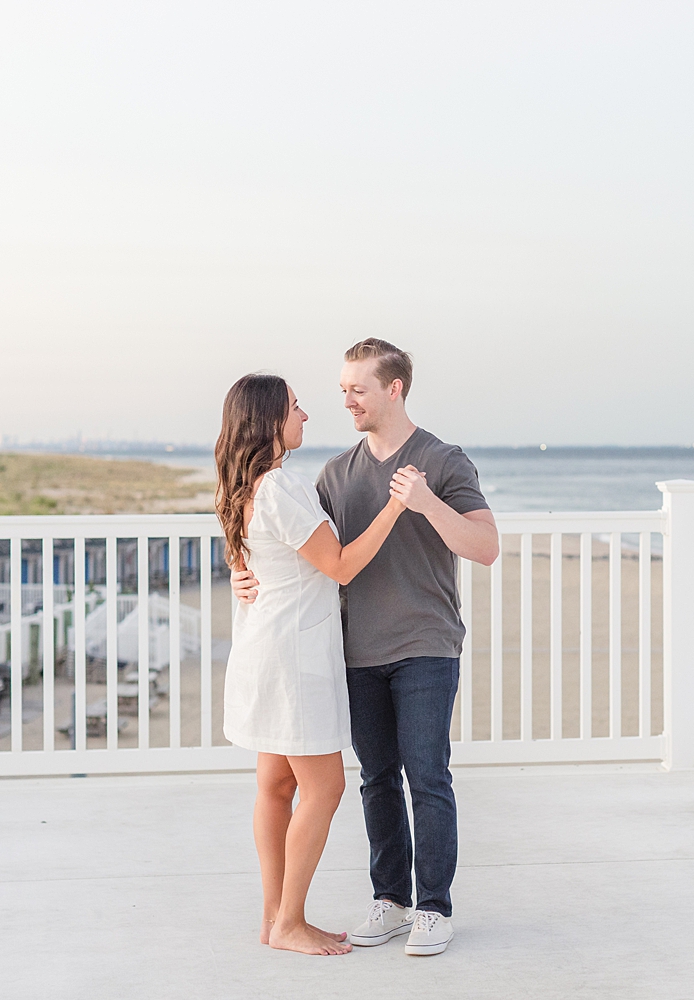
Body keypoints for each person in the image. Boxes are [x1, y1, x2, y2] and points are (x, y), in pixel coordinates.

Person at [233, 339, 499, 957]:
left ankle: (434, 907)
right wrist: (239, 570)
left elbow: (484, 547)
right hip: (354, 652)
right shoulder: (334, 473)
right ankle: (392, 900)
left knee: (426, 775)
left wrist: (426, 501)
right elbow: (291, 542)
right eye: (343, 388)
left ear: (394, 389)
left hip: (426, 644)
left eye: (358, 388)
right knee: (376, 779)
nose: (345, 400)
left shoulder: (442, 458)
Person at [215, 372, 417, 957]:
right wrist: (395, 507)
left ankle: (273, 916)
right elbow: (341, 565)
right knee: (323, 789)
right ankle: (289, 921)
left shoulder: (248, 486)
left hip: (269, 649)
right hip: (293, 660)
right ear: (268, 421)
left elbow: (253, 559)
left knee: (276, 785)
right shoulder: (278, 488)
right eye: (296, 407)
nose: (306, 416)